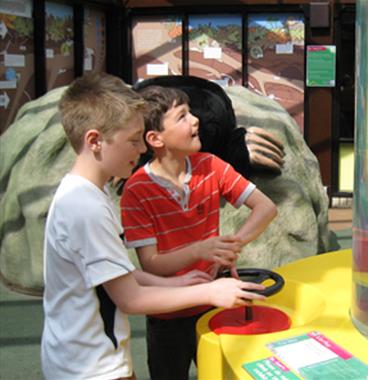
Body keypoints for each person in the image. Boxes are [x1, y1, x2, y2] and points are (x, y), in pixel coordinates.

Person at [41, 72, 267, 380]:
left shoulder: (88, 194)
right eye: (133, 140)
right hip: (90, 367)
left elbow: (113, 274)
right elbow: (130, 298)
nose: (139, 149)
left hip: (90, 356)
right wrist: (210, 293)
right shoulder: (85, 208)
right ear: (94, 141)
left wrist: (177, 283)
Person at [120, 85, 277, 380]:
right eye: (182, 117)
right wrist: (200, 250)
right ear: (155, 139)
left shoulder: (212, 165)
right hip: (168, 314)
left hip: (216, 305)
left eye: (191, 112)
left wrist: (231, 246)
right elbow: (151, 264)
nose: (195, 121)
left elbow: (265, 208)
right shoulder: (137, 190)